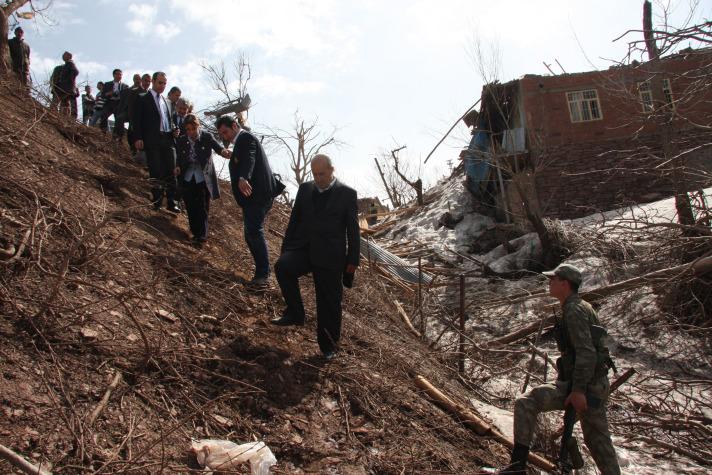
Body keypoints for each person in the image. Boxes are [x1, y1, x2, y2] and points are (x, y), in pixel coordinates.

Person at [501, 264, 620, 475]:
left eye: (553, 280)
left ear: (565, 283)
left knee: (526, 403)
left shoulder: (574, 310)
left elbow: (586, 352)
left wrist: (578, 391)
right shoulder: (580, 306)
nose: (549, 284)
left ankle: (517, 468)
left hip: (586, 386)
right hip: (590, 383)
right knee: (598, 442)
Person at [272, 155, 360, 360]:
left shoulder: (347, 194)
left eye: (322, 173)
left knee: (329, 303)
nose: (318, 178)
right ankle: (295, 313)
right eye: (315, 174)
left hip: (331, 256)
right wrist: (286, 249)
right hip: (304, 249)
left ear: (332, 170)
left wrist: (352, 261)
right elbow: (294, 221)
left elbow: (353, 232)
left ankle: (328, 347)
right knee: (283, 267)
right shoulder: (305, 189)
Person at [216, 115, 277, 287]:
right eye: (221, 134)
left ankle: (263, 276)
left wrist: (244, 177)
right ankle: (261, 272)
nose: (224, 136)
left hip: (257, 195)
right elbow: (244, 158)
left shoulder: (246, 138)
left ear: (235, 125)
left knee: (254, 232)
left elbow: (249, 158)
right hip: (253, 196)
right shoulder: (240, 142)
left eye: (226, 132)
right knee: (250, 233)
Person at [175, 114, 230, 245]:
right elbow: (178, 156)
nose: (190, 132)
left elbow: (218, 148)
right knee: (190, 204)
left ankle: (202, 235)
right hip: (188, 175)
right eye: (187, 129)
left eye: (192, 129)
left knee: (202, 205)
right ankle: (195, 233)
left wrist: (224, 152)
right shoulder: (182, 140)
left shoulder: (206, 137)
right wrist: (177, 166)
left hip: (203, 176)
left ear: (197, 126)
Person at [133, 71, 180, 213]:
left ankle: (172, 202)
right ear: (153, 82)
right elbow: (137, 119)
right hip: (152, 139)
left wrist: (174, 130)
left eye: (165, 83)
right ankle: (157, 200)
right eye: (160, 82)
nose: (162, 86)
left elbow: (168, 120)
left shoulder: (167, 102)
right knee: (156, 169)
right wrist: (138, 137)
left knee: (171, 170)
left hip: (168, 138)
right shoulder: (142, 98)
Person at [50, 52, 79, 119]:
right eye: (63, 55)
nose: (63, 56)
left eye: (64, 55)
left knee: (63, 104)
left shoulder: (70, 65)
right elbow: (53, 78)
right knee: (59, 103)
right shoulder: (60, 67)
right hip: (59, 88)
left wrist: (69, 83)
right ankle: (54, 116)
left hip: (65, 89)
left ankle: (63, 118)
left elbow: (75, 72)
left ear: (69, 56)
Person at [114, 73, 141, 142]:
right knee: (119, 118)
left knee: (132, 131)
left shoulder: (143, 90)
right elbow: (122, 102)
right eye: (136, 79)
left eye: (139, 79)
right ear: (133, 80)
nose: (137, 80)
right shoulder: (127, 90)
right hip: (127, 111)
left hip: (138, 113)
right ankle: (119, 136)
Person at [101, 69, 128, 133]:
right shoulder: (107, 84)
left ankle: (117, 136)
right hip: (109, 103)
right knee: (104, 116)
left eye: (120, 75)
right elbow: (102, 95)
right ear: (114, 75)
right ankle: (103, 132)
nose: (119, 76)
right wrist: (109, 93)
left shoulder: (125, 86)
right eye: (117, 74)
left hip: (119, 104)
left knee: (119, 120)